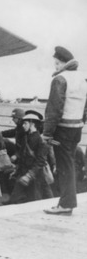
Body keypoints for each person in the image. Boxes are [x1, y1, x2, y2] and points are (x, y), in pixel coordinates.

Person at [42, 46, 87, 215]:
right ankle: (68, 201)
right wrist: (82, 121)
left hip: (63, 129)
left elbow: (54, 109)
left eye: (56, 64)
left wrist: (47, 133)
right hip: (76, 128)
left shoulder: (60, 79)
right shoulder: (83, 79)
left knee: (64, 166)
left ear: (62, 63)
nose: (55, 67)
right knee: (69, 164)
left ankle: (66, 204)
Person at [6, 112, 48, 204]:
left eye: (25, 123)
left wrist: (29, 176)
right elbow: (22, 156)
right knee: (14, 200)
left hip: (35, 177)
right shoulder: (26, 138)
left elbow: (40, 162)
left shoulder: (41, 141)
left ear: (32, 124)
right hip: (23, 174)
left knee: (34, 203)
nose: (23, 126)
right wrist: (16, 171)